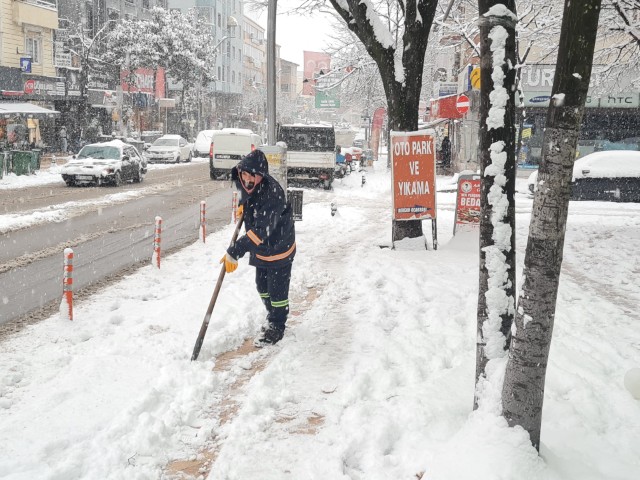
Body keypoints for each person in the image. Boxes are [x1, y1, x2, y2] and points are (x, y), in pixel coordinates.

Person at [220, 149, 296, 347]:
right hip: (261, 248)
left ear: (260, 175)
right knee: (262, 287)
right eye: (243, 174)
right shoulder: (248, 182)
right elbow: (244, 191)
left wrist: (235, 251)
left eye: (249, 175)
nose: (245, 179)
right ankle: (272, 315)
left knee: (277, 291)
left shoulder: (273, 195)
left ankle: (277, 325)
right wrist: (243, 205)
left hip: (279, 246)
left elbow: (260, 233)